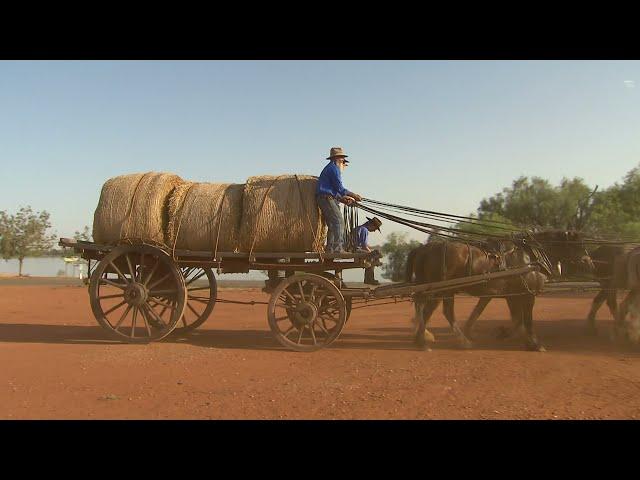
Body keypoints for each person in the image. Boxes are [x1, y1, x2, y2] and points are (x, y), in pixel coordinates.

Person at [316, 147, 363, 253]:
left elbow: (334, 191)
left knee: (332, 224)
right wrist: (354, 195)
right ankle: (338, 248)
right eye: (342, 160)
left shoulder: (331, 168)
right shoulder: (334, 169)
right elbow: (340, 188)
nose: (344, 163)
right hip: (326, 198)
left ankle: (330, 249)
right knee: (339, 221)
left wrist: (343, 199)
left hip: (325, 197)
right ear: (338, 159)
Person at [353, 216, 383, 285]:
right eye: (375, 228)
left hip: (354, 248)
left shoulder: (359, 228)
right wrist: (372, 253)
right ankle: (369, 279)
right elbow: (364, 246)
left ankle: (369, 277)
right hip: (356, 250)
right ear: (371, 225)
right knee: (374, 254)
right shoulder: (364, 230)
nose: (374, 230)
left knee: (374, 253)